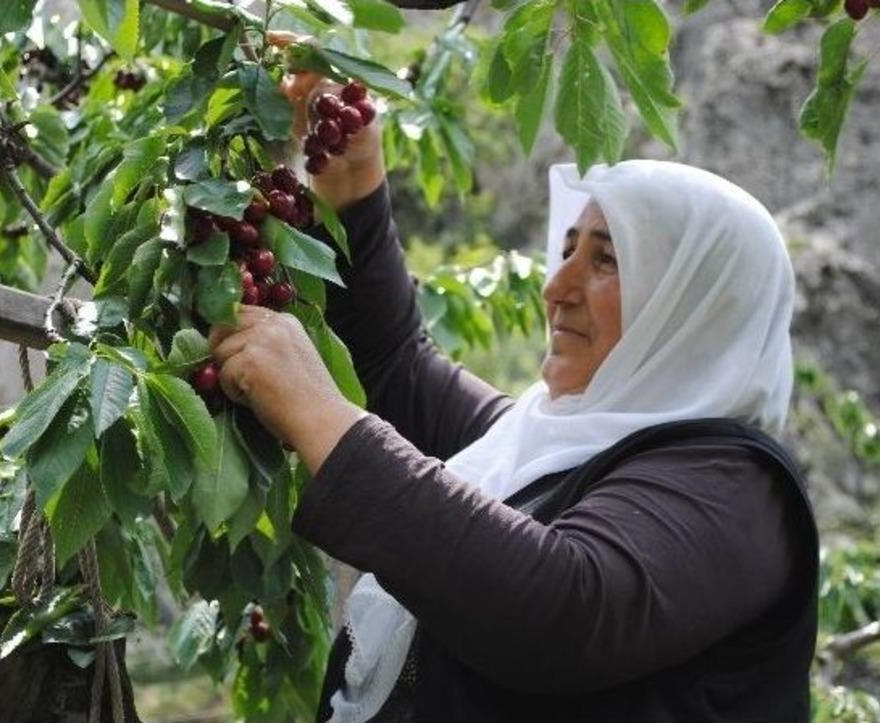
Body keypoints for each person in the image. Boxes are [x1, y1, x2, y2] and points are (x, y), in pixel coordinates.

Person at [207, 75, 819, 722]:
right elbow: (395, 368)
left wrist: (322, 415)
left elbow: (567, 611)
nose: (557, 287)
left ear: (696, 311)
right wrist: (356, 190)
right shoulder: (540, 446)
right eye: (566, 251)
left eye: (607, 260)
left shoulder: (740, 491)